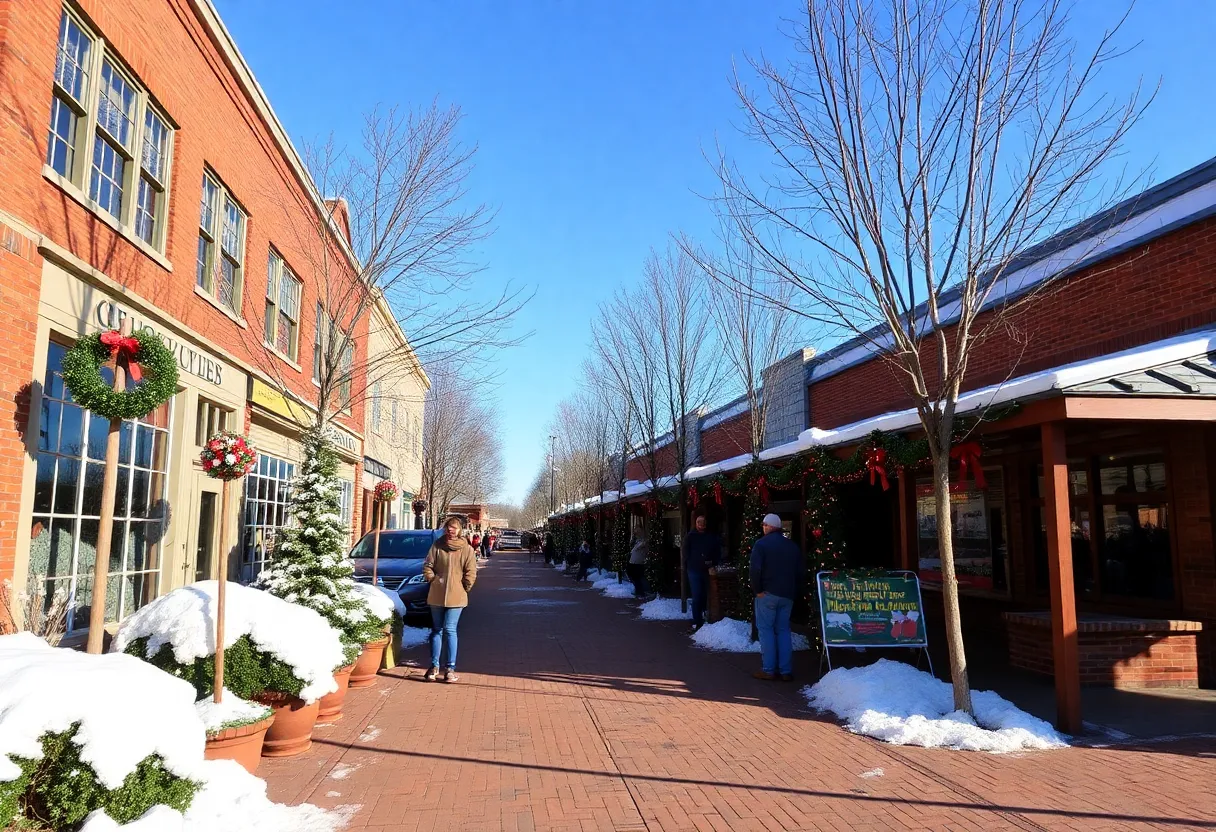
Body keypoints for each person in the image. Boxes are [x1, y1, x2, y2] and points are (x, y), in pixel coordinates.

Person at [749, 514, 804, 682]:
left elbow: (755, 570)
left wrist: (757, 590)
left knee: (765, 631)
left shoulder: (761, 544)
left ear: (769, 526)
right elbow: (800, 572)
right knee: (783, 630)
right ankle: (786, 670)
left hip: (767, 594)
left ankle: (768, 669)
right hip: (787, 595)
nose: (763, 527)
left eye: (764, 525)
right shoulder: (792, 546)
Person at [422, 516, 478, 683]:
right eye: (448, 527)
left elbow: (471, 571)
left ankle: (450, 669)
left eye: (453, 527)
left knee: (450, 629)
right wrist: (432, 580)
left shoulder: (466, 549)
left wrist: (464, 587)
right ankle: (433, 667)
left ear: (460, 530)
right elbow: (427, 566)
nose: (450, 530)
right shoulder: (437, 546)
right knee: (436, 630)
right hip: (437, 594)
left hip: (457, 596)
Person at [682, 514, 721, 631]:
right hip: (694, 569)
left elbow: (716, 551)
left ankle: (704, 615)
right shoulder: (690, 536)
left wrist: (713, 563)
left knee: (705, 594)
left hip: (707, 569)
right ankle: (696, 620)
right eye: (699, 522)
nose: (701, 525)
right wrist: (689, 563)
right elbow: (685, 552)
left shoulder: (711, 537)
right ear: (696, 523)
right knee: (697, 595)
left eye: (703, 522)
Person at [626, 533, 649, 598]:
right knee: (634, 577)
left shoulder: (642, 542)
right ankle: (638, 591)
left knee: (637, 578)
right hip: (633, 562)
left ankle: (640, 592)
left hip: (638, 563)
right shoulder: (636, 542)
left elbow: (641, 546)